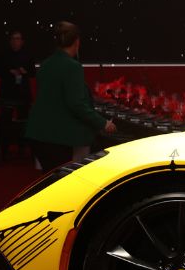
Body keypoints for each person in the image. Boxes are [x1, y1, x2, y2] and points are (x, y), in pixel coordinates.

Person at [24, 21, 116, 171]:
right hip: (57, 138)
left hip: (38, 135)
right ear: (77, 42)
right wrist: (103, 123)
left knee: (52, 181)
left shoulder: (46, 65)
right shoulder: (72, 67)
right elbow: (76, 104)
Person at [0, 29, 35, 106]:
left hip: (23, 92)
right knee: (5, 116)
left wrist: (25, 72)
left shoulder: (28, 55)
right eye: (13, 38)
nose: (15, 41)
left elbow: (33, 72)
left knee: (23, 116)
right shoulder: (3, 55)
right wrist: (9, 71)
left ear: (22, 41)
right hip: (7, 92)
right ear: (10, 41)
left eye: (17, 38)